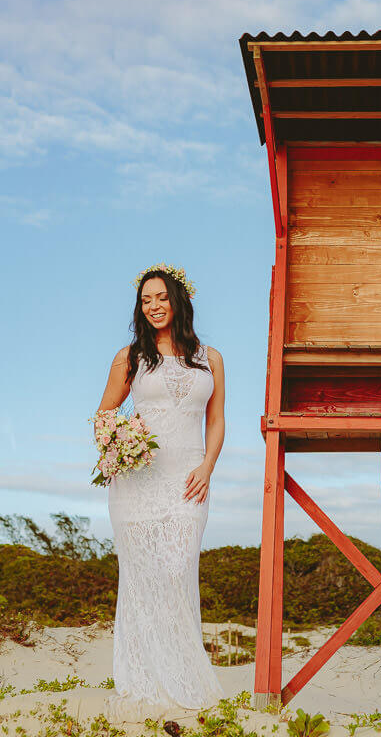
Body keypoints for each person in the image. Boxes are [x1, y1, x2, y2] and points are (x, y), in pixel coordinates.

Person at [96, 264, 225, 722]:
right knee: (142, 579)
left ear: (178, 300)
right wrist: (120, 445)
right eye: (146, 300)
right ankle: (146, 682)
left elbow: (216, 420)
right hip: (137, 484)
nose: (153, 306)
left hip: (189, 481)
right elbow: (104, 414)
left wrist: (207, 467)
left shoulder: (210, 358)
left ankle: (183, 676)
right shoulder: (130, 357)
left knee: (176, 571)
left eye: (161, 297)